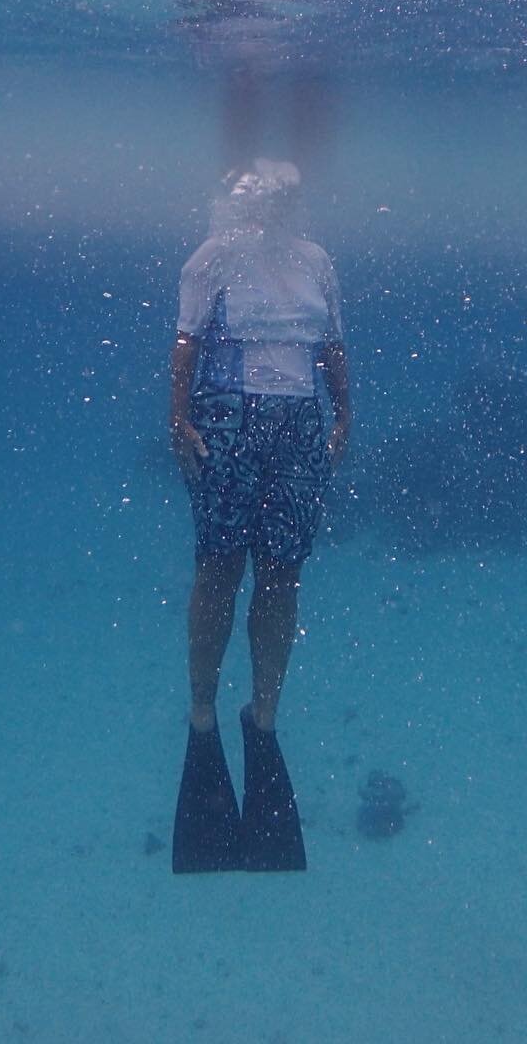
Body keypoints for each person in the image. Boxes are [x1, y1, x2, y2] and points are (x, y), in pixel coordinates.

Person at [168, 159, 351, 873]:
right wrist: (178, 417)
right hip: (227, 420)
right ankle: (204, 707)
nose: (271, 211)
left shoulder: (316, 263)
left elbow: (331, 343)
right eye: (262, 200)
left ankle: (264, 713)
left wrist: (343, 412)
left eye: (283, 200)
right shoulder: (210, 259)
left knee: (282, 570)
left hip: (298, 425)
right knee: (220, 565)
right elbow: (185, 343)